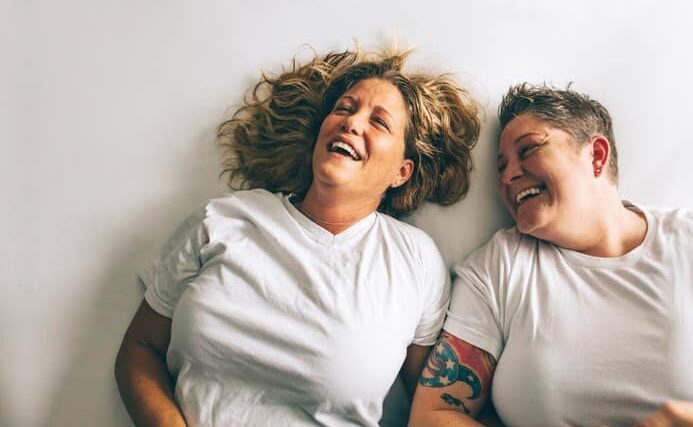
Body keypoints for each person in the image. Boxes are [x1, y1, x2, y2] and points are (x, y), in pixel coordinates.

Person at [114, 46, 481, 427]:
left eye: (379, 122)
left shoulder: (415, 261)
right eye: (344, 108)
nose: (352, 123)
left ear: (401, 172)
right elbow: (140, 348)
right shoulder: (221, 220)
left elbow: (436, 409)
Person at [408, 83, 693, 427]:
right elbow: (432, 415)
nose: (509, 176)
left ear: (596, 155)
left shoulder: (685, 239)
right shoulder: (500, 266)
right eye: (501, 167)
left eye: (528, 149)